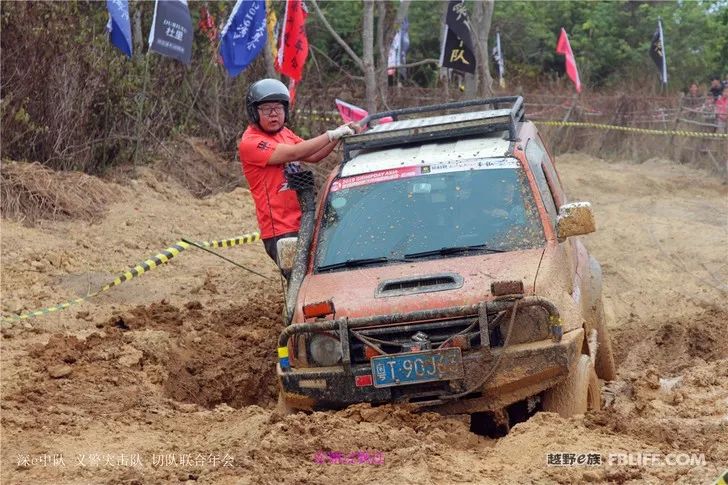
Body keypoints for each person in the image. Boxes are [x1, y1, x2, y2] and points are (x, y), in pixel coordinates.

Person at [238, 78, 355, 266]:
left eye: (278, 108)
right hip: (280, 229)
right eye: (267, 109)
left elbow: (314, 155)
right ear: (254, 112)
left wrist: (340, 135)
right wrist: (331, 134)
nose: (274, 114)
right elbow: (294, 152)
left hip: (303, 219)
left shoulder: (285, 133)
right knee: (298, 280)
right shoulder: (251, 142)